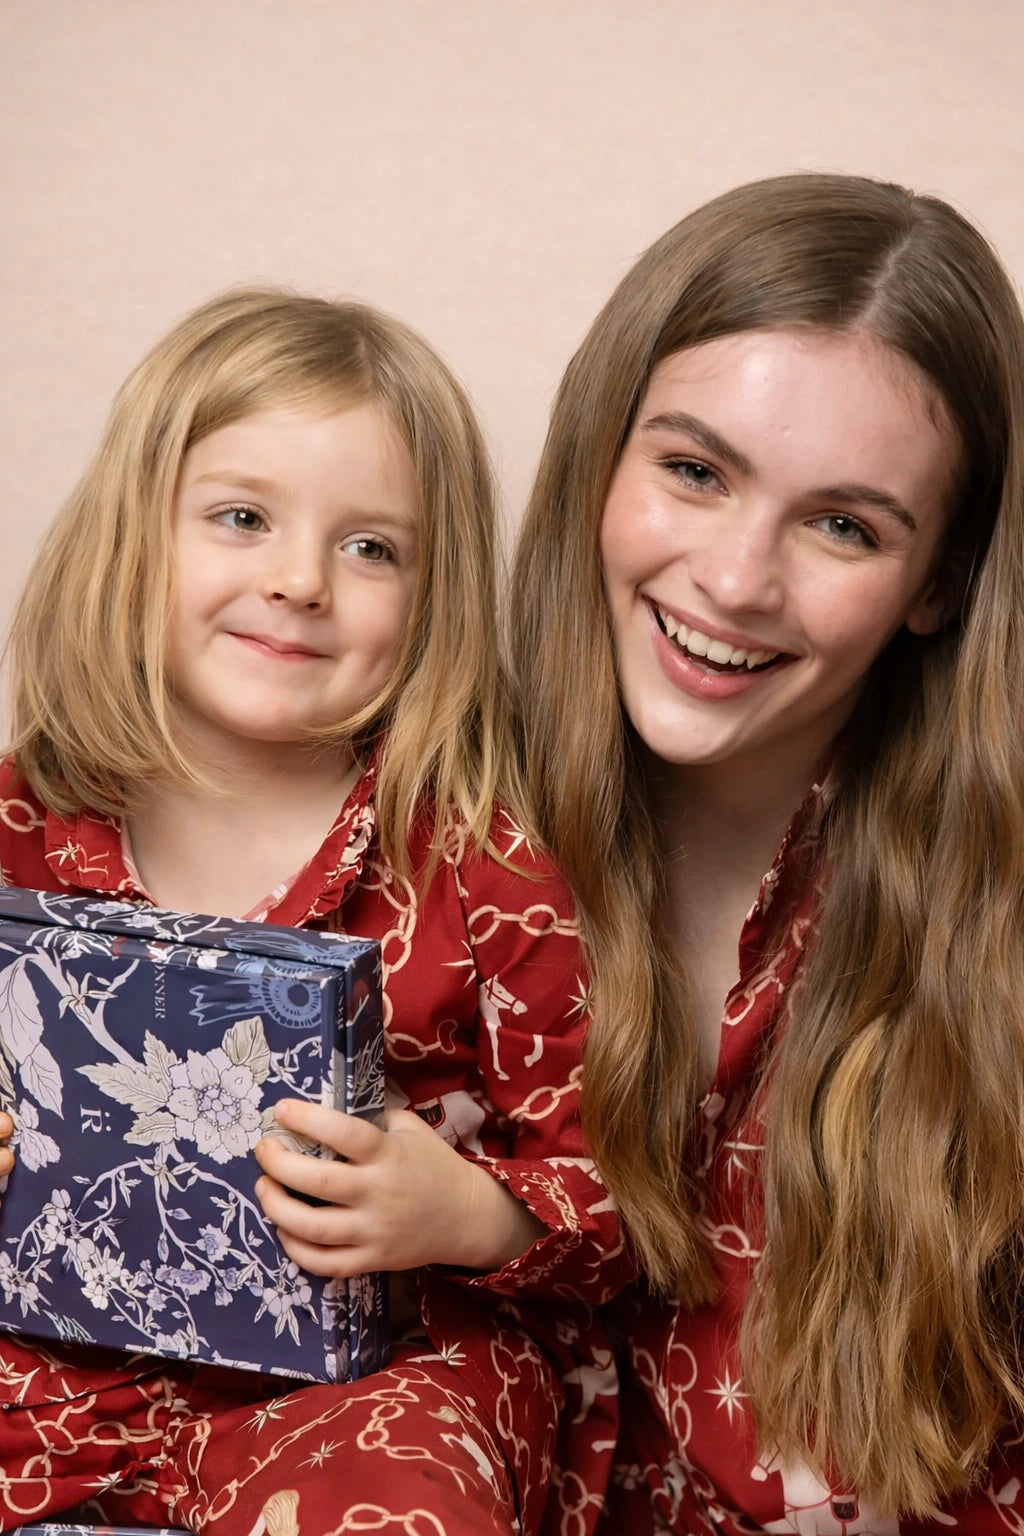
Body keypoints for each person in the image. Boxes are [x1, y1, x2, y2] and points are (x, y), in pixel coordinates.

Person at [0, 288, 627, 1536]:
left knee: (406, 1494)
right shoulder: (20, 820)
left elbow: (615, 1187)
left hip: (375, 1372)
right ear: (133, 538)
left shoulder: (479, 859)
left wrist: (458, 1209)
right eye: (241, 518)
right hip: (44, 1363)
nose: (298, 582)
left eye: (371, 548)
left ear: (432, 595)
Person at [510, 173, 1024, 1533]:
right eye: (694, 469)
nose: (738, 581)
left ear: (938, 587)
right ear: (600, 455)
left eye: (843, 525)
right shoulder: (399, 835)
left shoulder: (1002, 955)